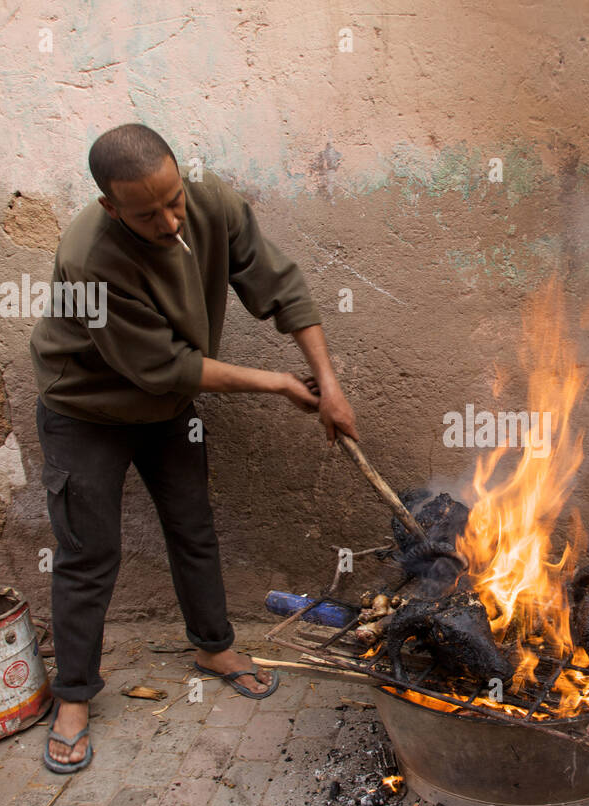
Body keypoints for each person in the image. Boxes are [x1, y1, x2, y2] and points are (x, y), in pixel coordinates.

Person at [29, 124, 357, 772]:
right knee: (88, 553)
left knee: (193, 525)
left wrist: (331, 383)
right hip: (87, 410)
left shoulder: (212, 208)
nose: (169, 219)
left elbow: (281, 288)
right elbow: (168, 368)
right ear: (110, 207)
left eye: (174, 199)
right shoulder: (88, 259)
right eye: (147, 214)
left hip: (168, 410)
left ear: (182, 178)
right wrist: (280, 384)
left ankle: (214, 645)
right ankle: (73, 697)